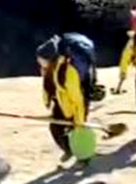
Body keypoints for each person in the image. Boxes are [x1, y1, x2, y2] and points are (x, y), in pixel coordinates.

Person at [35, 34, 97, 162]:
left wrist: (79, 120)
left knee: (78, 132)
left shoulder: (68, 72)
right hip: (62, 100)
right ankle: (69, 150)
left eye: (42, 60)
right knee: (55, 127)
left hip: (77, 102)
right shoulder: (51, 69)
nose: (40, 63)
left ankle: (84, 159)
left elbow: (77, 99)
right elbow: (49, 87)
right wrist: (48, 102)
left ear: (51, 60)